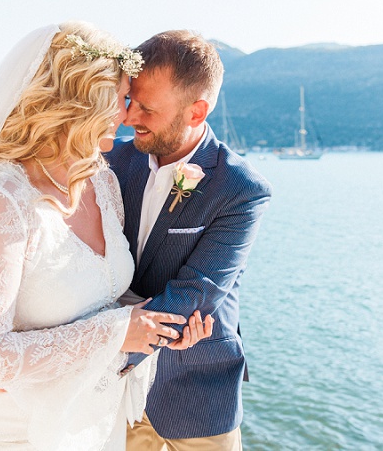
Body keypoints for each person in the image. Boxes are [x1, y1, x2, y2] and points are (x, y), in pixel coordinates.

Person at [0, 22, 213, 451]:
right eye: (121, 100)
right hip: (17, 432)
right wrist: (118, 333)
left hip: (93, 423)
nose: (127, 115)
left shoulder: (101, 184)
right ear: (84, 103)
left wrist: (163, 324)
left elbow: (105, 298)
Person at [106, 30, 272, 450]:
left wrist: (101, 345)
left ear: (196, 111)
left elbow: (197, 291)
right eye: (130, 101)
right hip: (111, 393)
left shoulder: (240, 189)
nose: (130, 118)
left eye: (147, 108)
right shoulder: (108, 164)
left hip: (197, 388)